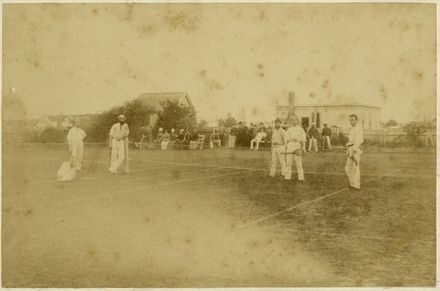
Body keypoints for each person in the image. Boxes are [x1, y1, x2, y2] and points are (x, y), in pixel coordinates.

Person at [284, 116, 306, 181]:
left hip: (297, 145)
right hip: (290, 145)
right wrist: (286, 147)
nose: (294, 121)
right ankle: (287, 177)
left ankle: (301, 178)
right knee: (288, 163)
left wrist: (304, 148)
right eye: (292, 120)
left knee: (299, 163)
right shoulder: (289, 129)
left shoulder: (301, 129)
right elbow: (285, 139)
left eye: (295, 120)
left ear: (297, 121)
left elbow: (304, 139)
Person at [345, 114, 364, 190]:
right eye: (350, 120)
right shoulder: (352, 128)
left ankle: (356, 185)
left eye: (353, 120)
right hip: (351, 149)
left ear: (356, 120)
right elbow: (351, 140)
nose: (351, 121)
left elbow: (358, 141)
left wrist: (353, 150)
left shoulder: (358, 128)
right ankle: (352, 183)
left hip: (355, 150)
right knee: (347, 167)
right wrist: (348, 147)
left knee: (355, 167)